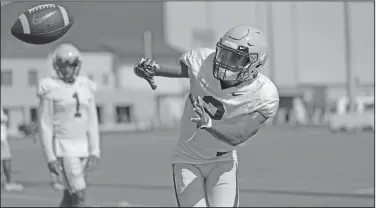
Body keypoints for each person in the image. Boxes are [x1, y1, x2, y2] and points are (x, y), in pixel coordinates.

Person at [134, 25, 279, 207]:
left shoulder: (263, 94)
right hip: (187, 159)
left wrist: (211, 124)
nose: (225, 62)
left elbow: (240, 133)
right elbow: (182, 71)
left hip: (222, 162)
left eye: (235, 58)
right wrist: (152, 69)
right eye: (225, 54)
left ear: (255, 63)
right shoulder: (203, 61)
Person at [37, 43, 100, 207]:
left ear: (77, 66)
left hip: (83, 147)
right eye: (62, 65)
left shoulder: (86, 87)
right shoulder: (50, 88)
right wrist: (50, 157)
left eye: (70, 65)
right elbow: (45, 126)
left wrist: (95, 150)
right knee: (79, 194)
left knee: (69, 195)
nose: (66, 69)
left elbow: (92, 122)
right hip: (64, 148)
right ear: (56, 66)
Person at [1, 107, 24, 192]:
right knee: (7, 158)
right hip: (1, 139)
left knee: (6, 159)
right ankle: (8, 182)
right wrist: (4, 117)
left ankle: (9, 182)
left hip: (2, 137)